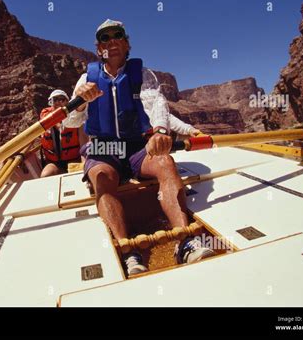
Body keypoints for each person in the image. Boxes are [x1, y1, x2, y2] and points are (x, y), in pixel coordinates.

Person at [63, 19, 215, 276]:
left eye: (117, 35)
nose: (111, 41)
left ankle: (185, 240)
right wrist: (79, 103)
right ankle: (127, 251)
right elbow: (69, 122)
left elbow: (157, 106)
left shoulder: (143, 75)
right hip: (103, 149)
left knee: (165, 162)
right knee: (103, 176)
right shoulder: (85, 80)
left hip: (135, 147)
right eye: (104, 38)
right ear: (98, 47)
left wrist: (161, 131)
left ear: (126, 42)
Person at [40, 90, 81, 177]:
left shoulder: (75, 117)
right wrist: (59, 125)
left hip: (74, 159)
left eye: (62, 99)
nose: (58, 102)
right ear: (50, 102)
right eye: (55, 100)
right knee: (46, 175)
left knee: (76, 176)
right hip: (54, 162)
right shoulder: (45, 114)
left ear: (67, 102)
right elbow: (49, 121)